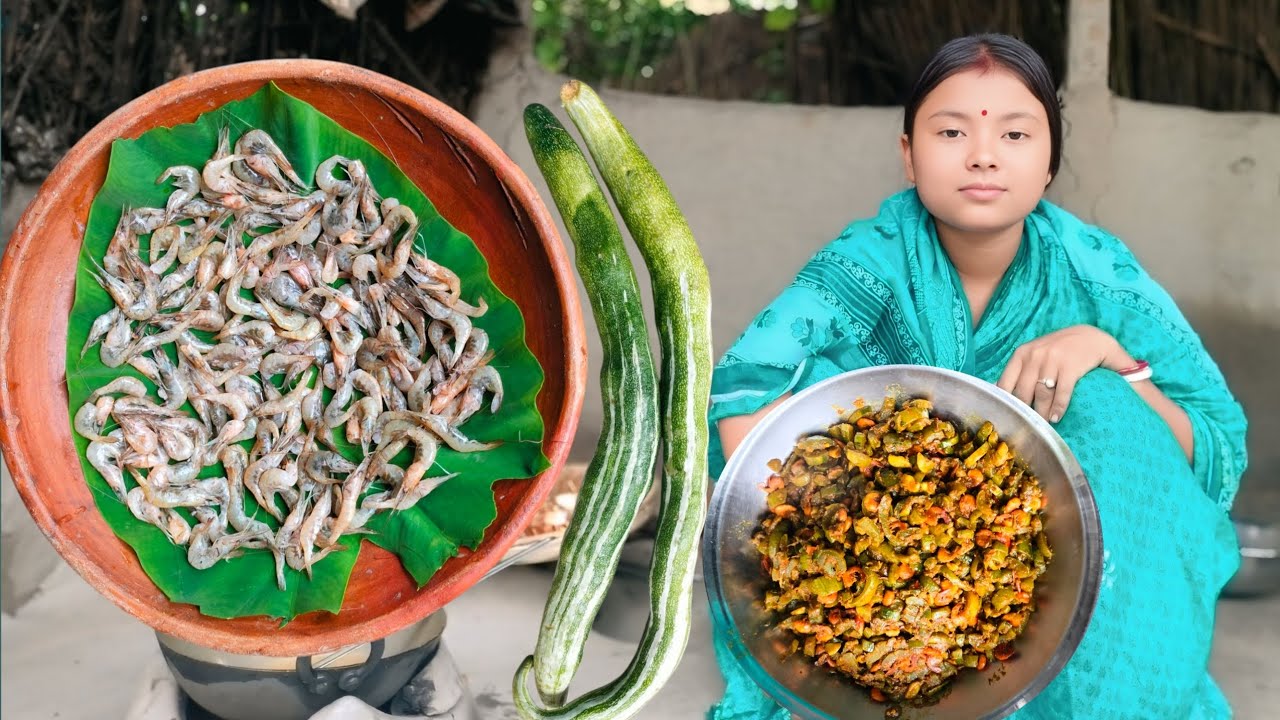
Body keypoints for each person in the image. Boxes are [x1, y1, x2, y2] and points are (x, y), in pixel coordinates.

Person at [707, 33, 1247, 720]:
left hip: (1050, 561)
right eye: (952, 130)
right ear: (908, 154)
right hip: (875, 547)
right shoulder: (868, 261)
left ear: (1051, 160)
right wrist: (853, 551)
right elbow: (743, 386)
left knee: (1108, 404)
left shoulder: (1096, 271)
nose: (983, 155)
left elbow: (1214, 443)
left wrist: (1113, 356)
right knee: (809, 393)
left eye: (1017, 133)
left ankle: (1103, 696)